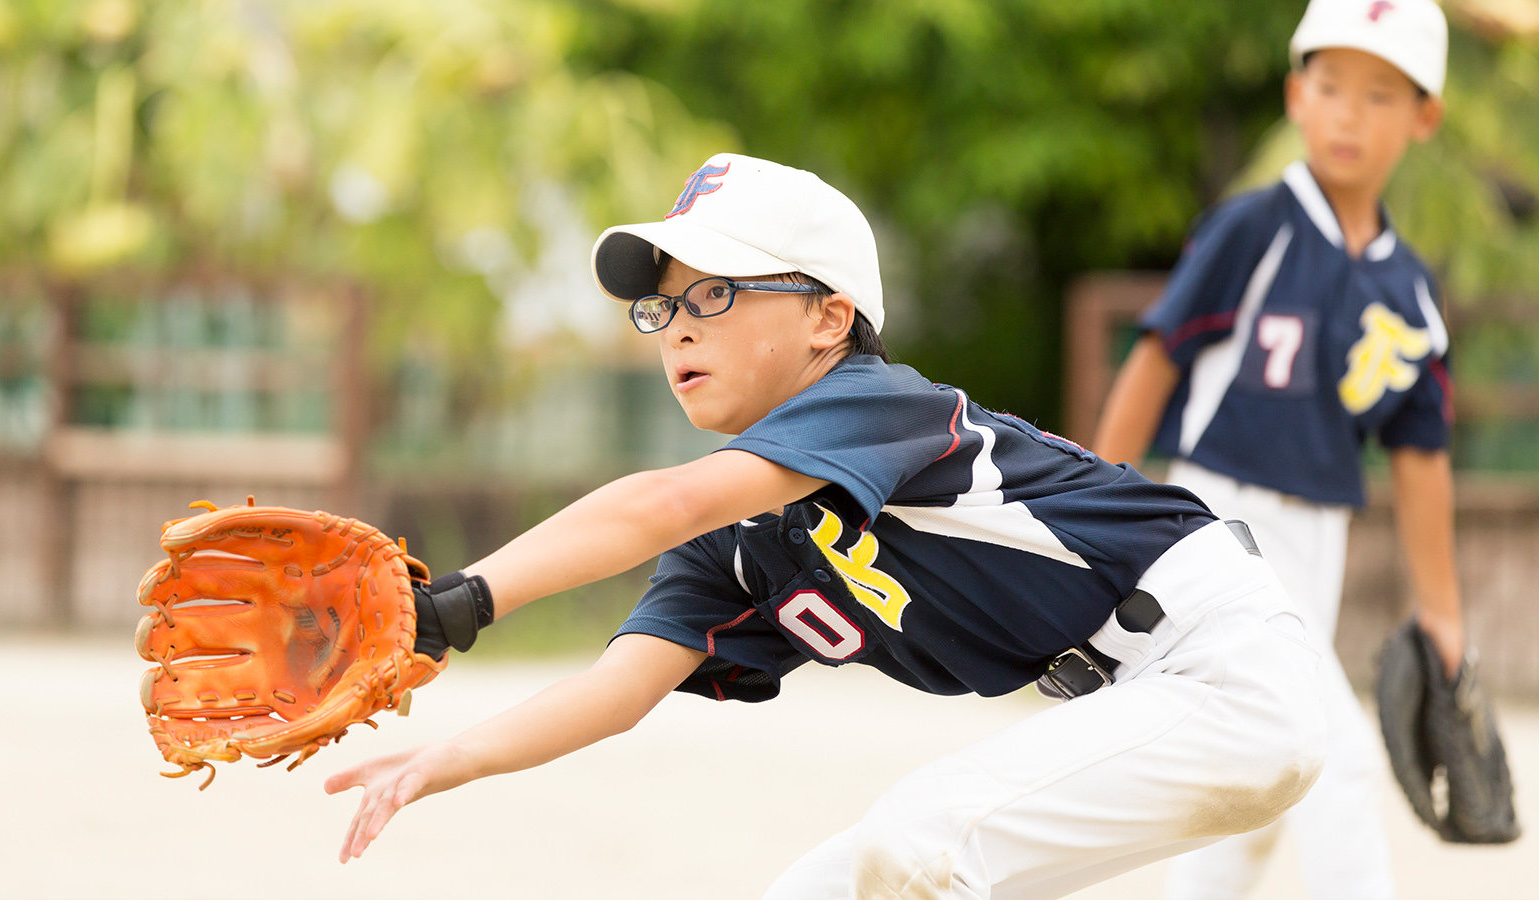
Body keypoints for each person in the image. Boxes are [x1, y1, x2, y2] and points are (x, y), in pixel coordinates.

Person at [326, 152, 1327, 899]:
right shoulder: (736, 545)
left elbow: (660, 502)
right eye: (662, 307)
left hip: (1220, 668)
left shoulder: (875, 403)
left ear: (828, 320)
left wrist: (460, 602)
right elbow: (616, 688)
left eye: (713, 293)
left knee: (916, 845)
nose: (677, 324)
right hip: (1138, 705)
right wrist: (438, 761)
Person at [1090, 1, 1458, 897]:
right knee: (1334, 759)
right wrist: (1096, 506)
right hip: (1224, 522)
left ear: (1423, 117)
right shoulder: (1254, 226)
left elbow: (1420, 456)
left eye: (1378, 94)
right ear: (1296, 96)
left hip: (1320, 540)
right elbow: (1155, 357)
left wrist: (1444, 616)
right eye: (1329, 86)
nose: (1347, 113)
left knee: (1253, 794)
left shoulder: (1410, 289)